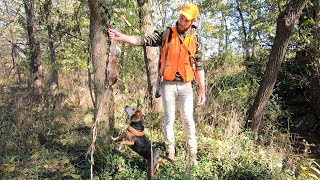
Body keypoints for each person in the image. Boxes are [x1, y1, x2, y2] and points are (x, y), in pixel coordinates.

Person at [108, 3, 206, 165]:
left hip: (186, 86)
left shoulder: (196, 39)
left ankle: (193, 154)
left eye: (186, 20)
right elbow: (143, 40)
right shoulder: (166, 33)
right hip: (167, 84)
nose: (182, 21)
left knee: (188, 119)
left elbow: (200, 65)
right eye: (181, 17)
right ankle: (171, 153)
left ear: (193, 21)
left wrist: (202, 89)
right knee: (169, 119)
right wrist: (122, 37)